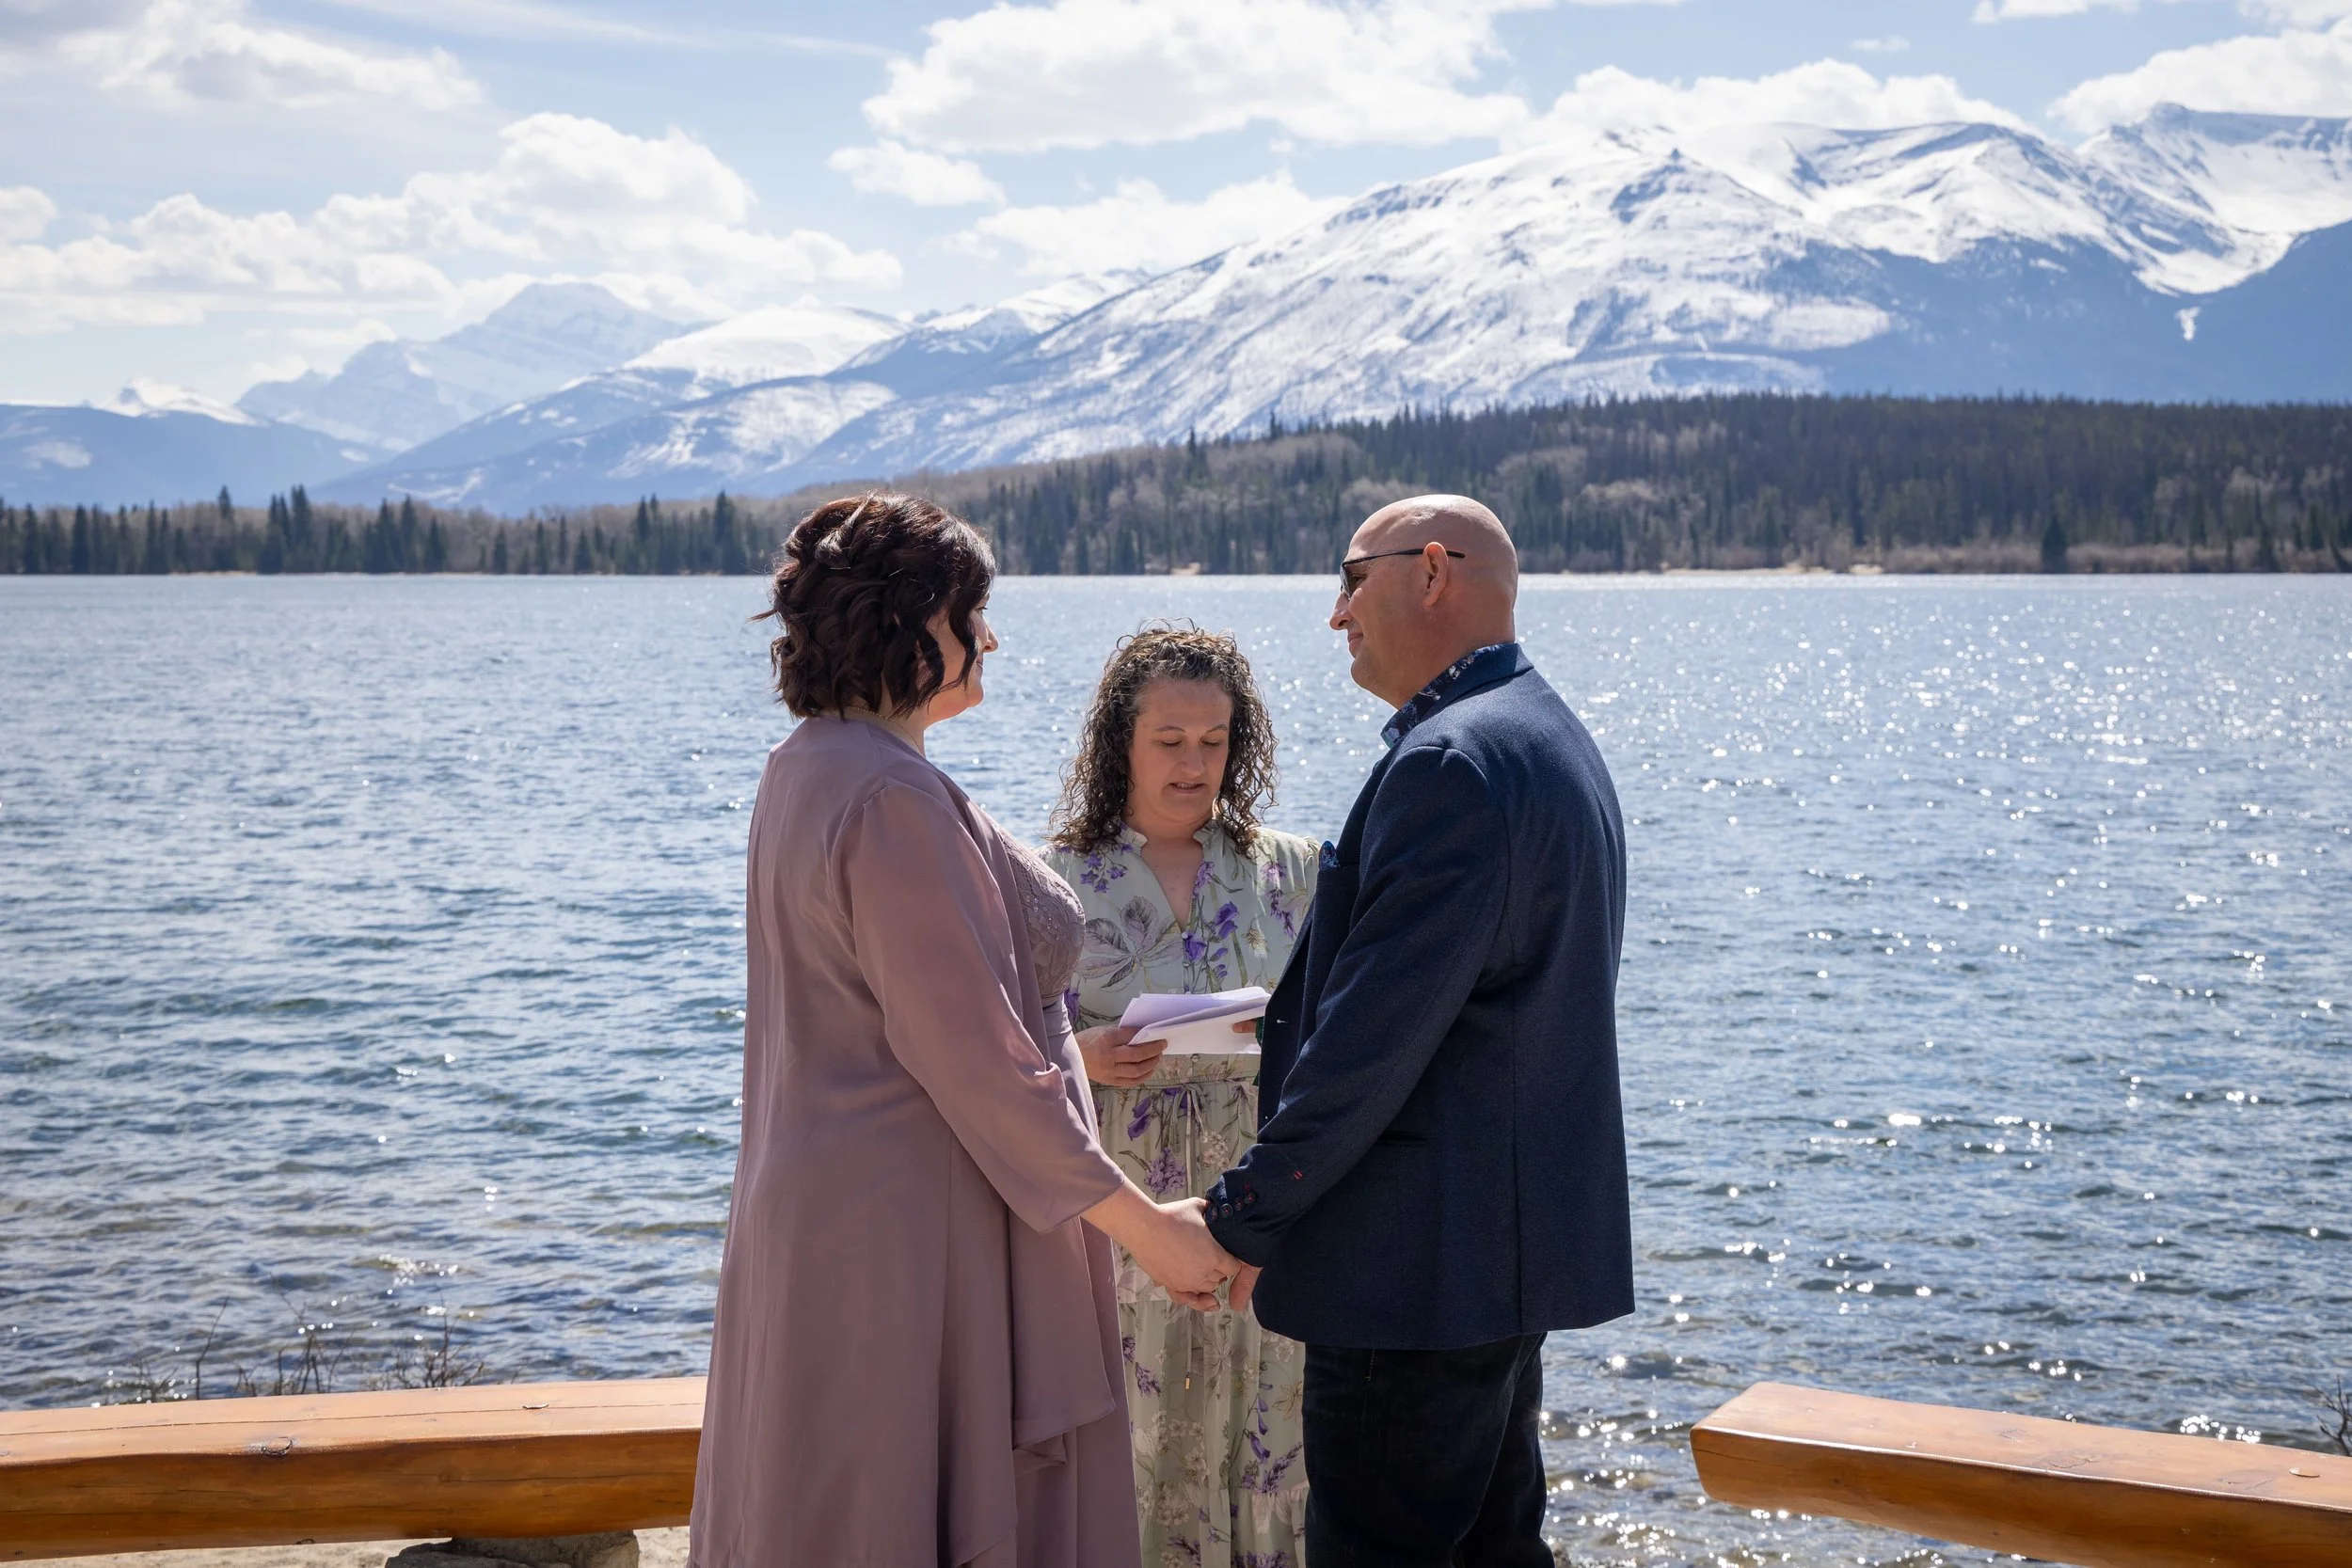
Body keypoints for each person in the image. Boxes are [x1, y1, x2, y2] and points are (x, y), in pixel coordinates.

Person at [690, 495, 1241, 1568]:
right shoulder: (886, 798)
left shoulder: (807, 766)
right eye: (971, 610)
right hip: (911, 1243)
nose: (989, 635)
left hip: (843, 1215)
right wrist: (1150, 1231)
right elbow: (983, 1069)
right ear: (907, 619)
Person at [1203, 496, 1632, 1568]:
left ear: (1431, 571)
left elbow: (1371, 1041)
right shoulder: (1543, 735)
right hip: (1496, 1266)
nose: (1337, 612)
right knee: (1493, 1548)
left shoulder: (1453, 763)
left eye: (1351, 577)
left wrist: (1247, 1209)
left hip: (1410, 1274)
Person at [1042, 626, 1320, 1568]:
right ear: (1120, 738)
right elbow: (988, 1055)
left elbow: (1348, 1038)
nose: (1195, 762)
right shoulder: (1049, 881)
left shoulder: (1294, 872)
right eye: (1170, 739)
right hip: (1118, 1214)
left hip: (1259, 1200)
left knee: (1268, 1429)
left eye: (1215, 739)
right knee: (1128, 1434)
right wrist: (1079, 1051)